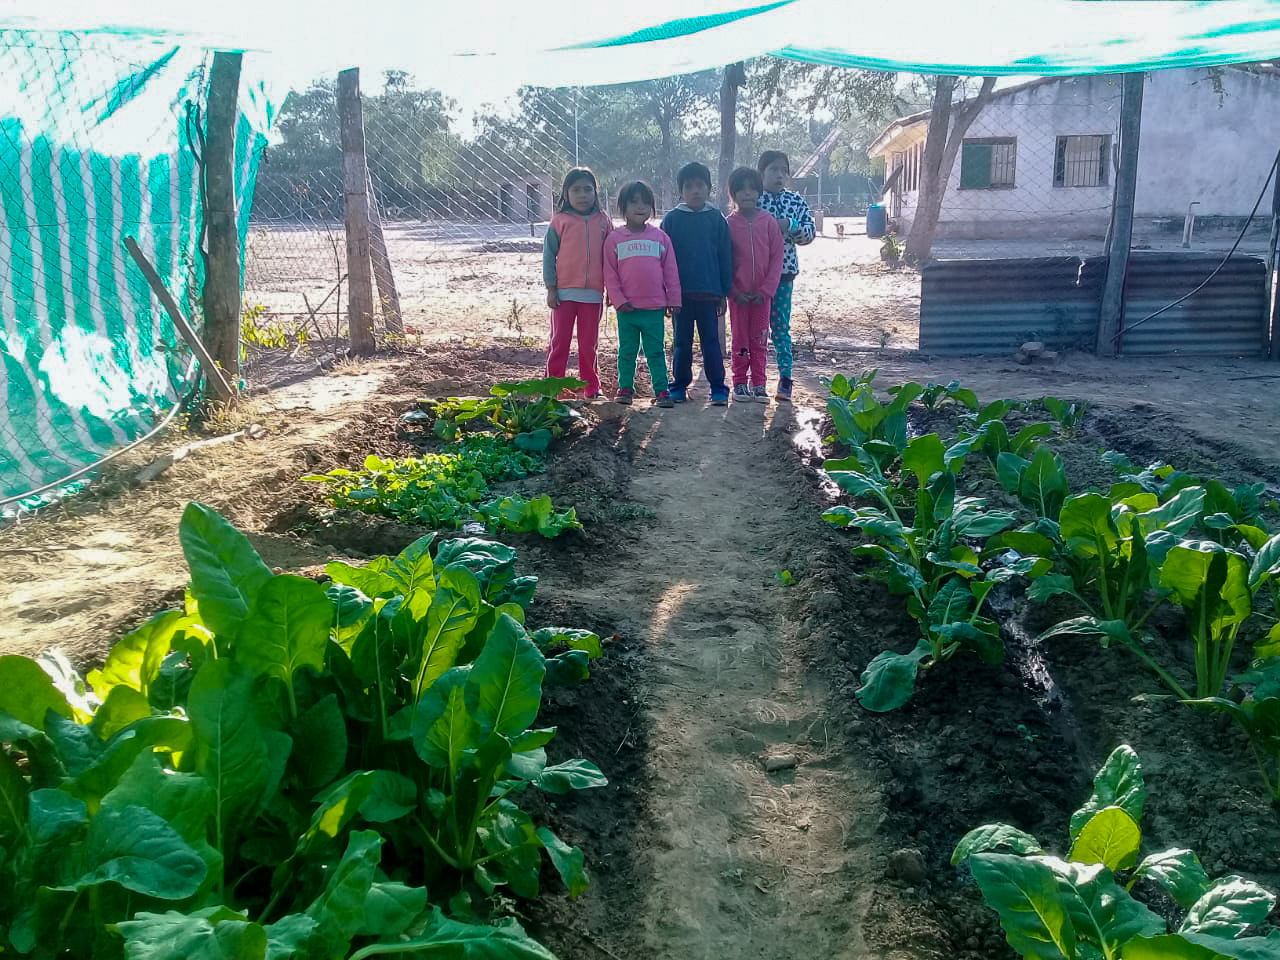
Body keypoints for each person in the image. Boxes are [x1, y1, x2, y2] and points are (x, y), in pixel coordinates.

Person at [659, 161, 731, 406]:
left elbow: (725, 256)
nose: (695, 190)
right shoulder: (672, 220)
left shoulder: (717, 219)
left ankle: (718, 387)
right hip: (680, 297)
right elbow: (662, 258)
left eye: (700, 185)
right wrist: (666, 294)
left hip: (709, 295)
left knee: (711, 343)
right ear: (681, 191)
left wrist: (724, 292)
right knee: (681, 342)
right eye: (689, 186)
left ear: (709, 188)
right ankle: (678, 385)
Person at [602, 181, 680, 408]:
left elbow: (671, 271)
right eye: (634, 202)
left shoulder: (660, 238)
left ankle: (662, 390)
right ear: (623, 207)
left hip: (654, 309)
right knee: (627, 351)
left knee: (656, 351)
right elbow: (610, 274)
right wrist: (618, 300)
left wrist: (674, 299)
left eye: (646, 202)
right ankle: (625, 388)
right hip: (627, 310)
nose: (640, 207)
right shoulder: (614, 239)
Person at [542, 167, 611, 399]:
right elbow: (549, 255)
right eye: (576, 190)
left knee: (588, 344)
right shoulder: (559, 221)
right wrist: (551, 288)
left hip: (593, 294)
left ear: (595, 192)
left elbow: (611, 257)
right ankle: (552, 387)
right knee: (559, 342)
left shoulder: (603, 221)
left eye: (588, 189)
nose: (582, 195)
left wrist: (612, 289)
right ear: (566, 193)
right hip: (563, 294)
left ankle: (591, 387)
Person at [757, 150, 816, 402]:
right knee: (757, 329)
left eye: (784, 170)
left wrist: (790, 225)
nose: (779, 175)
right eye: (773, 169)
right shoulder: (753, 200)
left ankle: (785, 379)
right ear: (761, 172)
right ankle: (756, 380)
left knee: (780, 328)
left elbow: (810, 234)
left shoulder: (795, 201)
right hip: (756, 277)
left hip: (784, 275)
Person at [725, 166, 783, 403]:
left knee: (760, 339)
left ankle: (759, 384)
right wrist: (733, 291)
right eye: (741, 189)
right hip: (738, 298)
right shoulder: (728, 224)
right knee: (739, 339)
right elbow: (724, 260)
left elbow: (777, 258)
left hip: (762, 298)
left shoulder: (768, 222)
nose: (747, 193)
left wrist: (766, 291)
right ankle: (739, 382)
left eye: (752, 189)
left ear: (759, 192)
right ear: (733, 194)